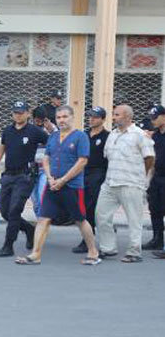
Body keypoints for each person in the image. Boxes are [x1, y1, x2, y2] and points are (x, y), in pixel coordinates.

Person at [15, 106, 101, 265]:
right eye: (59, 117)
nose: (62, 120)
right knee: (43, 218)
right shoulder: (53, 137)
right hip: (52, 185)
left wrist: (63, 180)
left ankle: (93, 252)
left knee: (80, 220)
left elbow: (82, 161)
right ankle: (35, 254)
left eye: (65, 116)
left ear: (72, 117)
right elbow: (46, 158)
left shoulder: (80, 137)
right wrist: (49, 178)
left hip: (73, 186)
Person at [0, 101, 48, 257]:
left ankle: (8, 245)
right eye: (15, 112)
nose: (17, 115)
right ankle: (28, 229)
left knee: (14, 210)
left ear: (28, 114)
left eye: (21, 112)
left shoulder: (35, 131)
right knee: (6, 212)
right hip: (8, 176)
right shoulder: (8, 131)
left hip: (25, 177)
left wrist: (51, 166)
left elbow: (53, 145)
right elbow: (0, 150)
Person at [96, 105, 155, 263]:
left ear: (128, 117)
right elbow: (107, 156)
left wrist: (141, 174)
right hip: (110, 182)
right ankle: (108, 248)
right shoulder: (112, 135)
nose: (114, 117)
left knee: (134, 219)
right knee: (101, 215)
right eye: (114, 114)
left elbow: (149, 157)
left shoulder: (139, 135)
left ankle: (134, 252)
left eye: (117, 115)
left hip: (131, 183)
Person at [72, 106, 109, 253]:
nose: (91, 119)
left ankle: (87, 240)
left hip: (98, 174)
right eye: (90, 116)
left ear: (103, 119)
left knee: (90, 207)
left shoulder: (107, 136)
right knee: (81, 206)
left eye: (95, 117)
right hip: (82, 173)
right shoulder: (83, 135)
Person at [148, 105, 165, 259]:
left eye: (156, 118)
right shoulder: (156, 136)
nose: (153, 121)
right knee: (155, 209)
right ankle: (157, 239)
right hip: (157, 176)